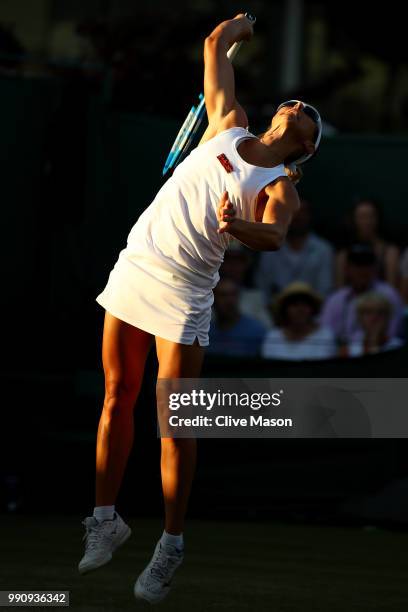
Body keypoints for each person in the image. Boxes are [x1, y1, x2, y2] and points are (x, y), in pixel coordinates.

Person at [78, 14, 323, 604]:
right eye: (291, 101)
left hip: (186, 293)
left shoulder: (280, 185)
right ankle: (106, 518)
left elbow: (272, 237)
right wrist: (236, 27)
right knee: (117, 394)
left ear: (305, 144)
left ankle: (171, 543)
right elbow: (216, 47)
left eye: (305, 111)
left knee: (175, 424)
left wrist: (238, 224)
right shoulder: (227, 123)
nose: (293, 105)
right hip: (137, 266)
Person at [321, 243, 404, 345]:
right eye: (357, 265)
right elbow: (325, 337)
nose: (362, 270)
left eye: (367, 264)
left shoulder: (389, 295)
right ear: (346, 269)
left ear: (375, 268)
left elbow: (392, 334)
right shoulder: (335, 299)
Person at [255, 198, 334, 301]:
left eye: (302, 212)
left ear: (310, 216)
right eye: (292, 211)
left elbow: (325, 291)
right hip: (274, 314)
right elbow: (262, 291)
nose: (297, 217)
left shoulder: (323, 250)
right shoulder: (269, 250)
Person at [261, 282, 336, 360]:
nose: (300, 310)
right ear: (285, 309)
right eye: (294, 305)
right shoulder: (272, 337)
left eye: (305, 304)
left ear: (312, 309)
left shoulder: (326, 335)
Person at [335, 199, 400, 288]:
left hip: (381, 300)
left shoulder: (390, 252)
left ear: (377, 219)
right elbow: (340, 291)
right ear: (354, 219)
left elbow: (392, 291)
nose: (367, 221)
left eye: (371, 216)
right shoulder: (344, 254)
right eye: (362, 217)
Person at [207, 278, 267, 356]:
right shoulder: (206, 332)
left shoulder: (256, 330)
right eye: (223, 295)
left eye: (233, 294)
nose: (229, 300)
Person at [219, 241, 272, 327]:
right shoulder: (206, 298)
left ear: (246, 265)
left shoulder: (256, 297)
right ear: (220, 264)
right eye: (228, 261)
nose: (233, 266)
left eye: (238, 261)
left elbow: (267, 329)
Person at [347, 292, 404, 357]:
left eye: (380, 312)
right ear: (359, 318)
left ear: (388, 317)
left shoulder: (399, 348)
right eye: (368, 312)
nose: (374, 317)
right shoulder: (348, 351)